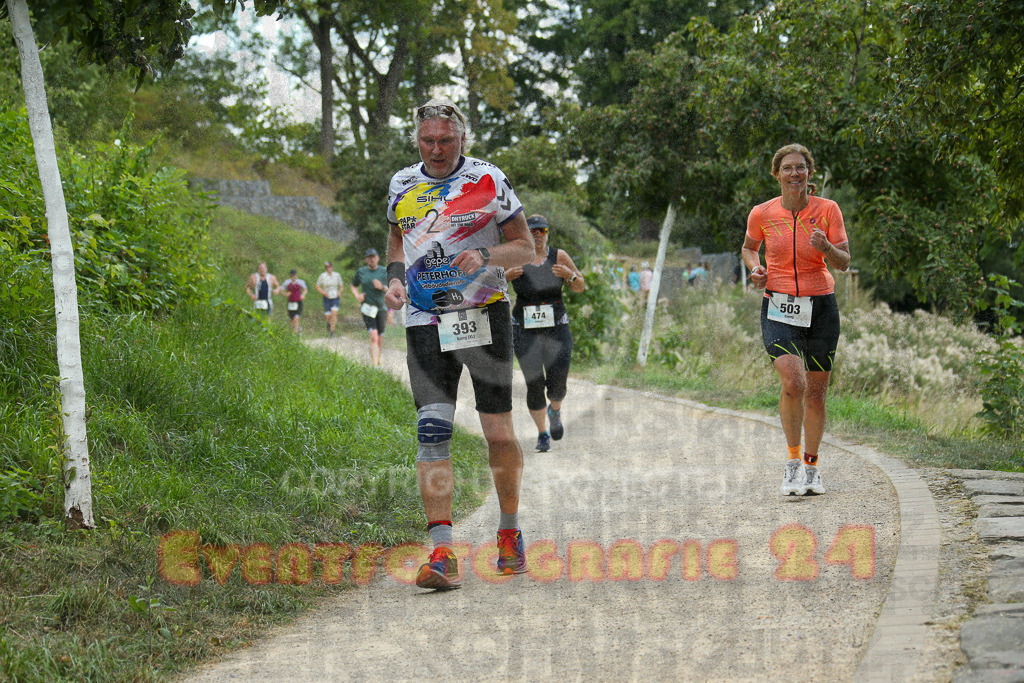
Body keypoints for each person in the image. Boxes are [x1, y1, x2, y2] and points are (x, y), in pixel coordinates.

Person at [383, 98, 534, 591]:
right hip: (425, 320)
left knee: (497, 434)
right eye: (428, 141)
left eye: (446, 141)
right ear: (417, 141)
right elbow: (397, 243)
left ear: (462, 140)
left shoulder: (489, 179)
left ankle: (509, 534)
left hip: (484, 313)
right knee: (432, 431)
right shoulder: (401, 184)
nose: (437, 149)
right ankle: (442, 551)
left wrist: (486, 252)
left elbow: (526, 248)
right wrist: (394, 279)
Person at [741, 143, 851, 497]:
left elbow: (844, 261)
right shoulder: (762, 213)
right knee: (793, 381)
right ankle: (791, 464)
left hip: (821, 307)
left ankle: (812, 467)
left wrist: (826, 249)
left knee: (816, 394)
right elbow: (748, 247)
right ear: (776, 174)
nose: (794, 173)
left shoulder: (828, 210)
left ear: (809, 173)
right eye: (787, 168)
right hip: (779, 304)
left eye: (800, 167)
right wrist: (755, 269)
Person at [505, 214, 585, 453]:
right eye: (533, 231)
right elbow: (491, 286)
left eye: (542, 230)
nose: (538, 235)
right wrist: (505, 277)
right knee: (534, 383)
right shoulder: (514, 257)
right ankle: (542, 434)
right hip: (523, 327)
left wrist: (569, 276)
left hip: (556, 327)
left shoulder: (558, 256)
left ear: (548, 233)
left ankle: (555, 410)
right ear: (525, 234)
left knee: (557, 383)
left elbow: (580, 286)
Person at [350, 248, 388, 366]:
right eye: (369, 257)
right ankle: (375, 365)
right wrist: (357, 295)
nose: (372, 259)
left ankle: (378, 359)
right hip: (367, 308)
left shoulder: (384, 271)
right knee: (373, 337)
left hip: (381, 308)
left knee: (380, 339)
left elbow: (391, 289)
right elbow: (353, 285)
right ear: (366, 259)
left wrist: (381, 287)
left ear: (378, 258)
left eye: (374, 257)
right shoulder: (361, 272)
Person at [315, 261, 343, 337]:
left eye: (330, 266)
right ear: (326, 268)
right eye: (327, 267)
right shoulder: (322, 276)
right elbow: (317, 286)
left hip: (335, 297)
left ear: (332, 267)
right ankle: (328, 324)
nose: (329, 268)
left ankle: (332, 331)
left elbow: (341, 286)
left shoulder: (337, 275)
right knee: (328, 316)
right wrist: (324, 293)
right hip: (327, 297)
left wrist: (339, 292)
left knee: (334, 314)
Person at [282, 269, 308, 334]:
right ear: (291, 275)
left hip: (298, 302)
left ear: (296, 275)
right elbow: (281, 289)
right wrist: (286, 294)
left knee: (296, 318)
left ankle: (295, 335)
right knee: (292, 320)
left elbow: (305, 289)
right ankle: (298, 329)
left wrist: (303, 295)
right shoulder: (287, 282)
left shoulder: (300, 282)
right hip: (290, 303)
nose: (294, 276)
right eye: (292, 275)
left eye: (295, 275)